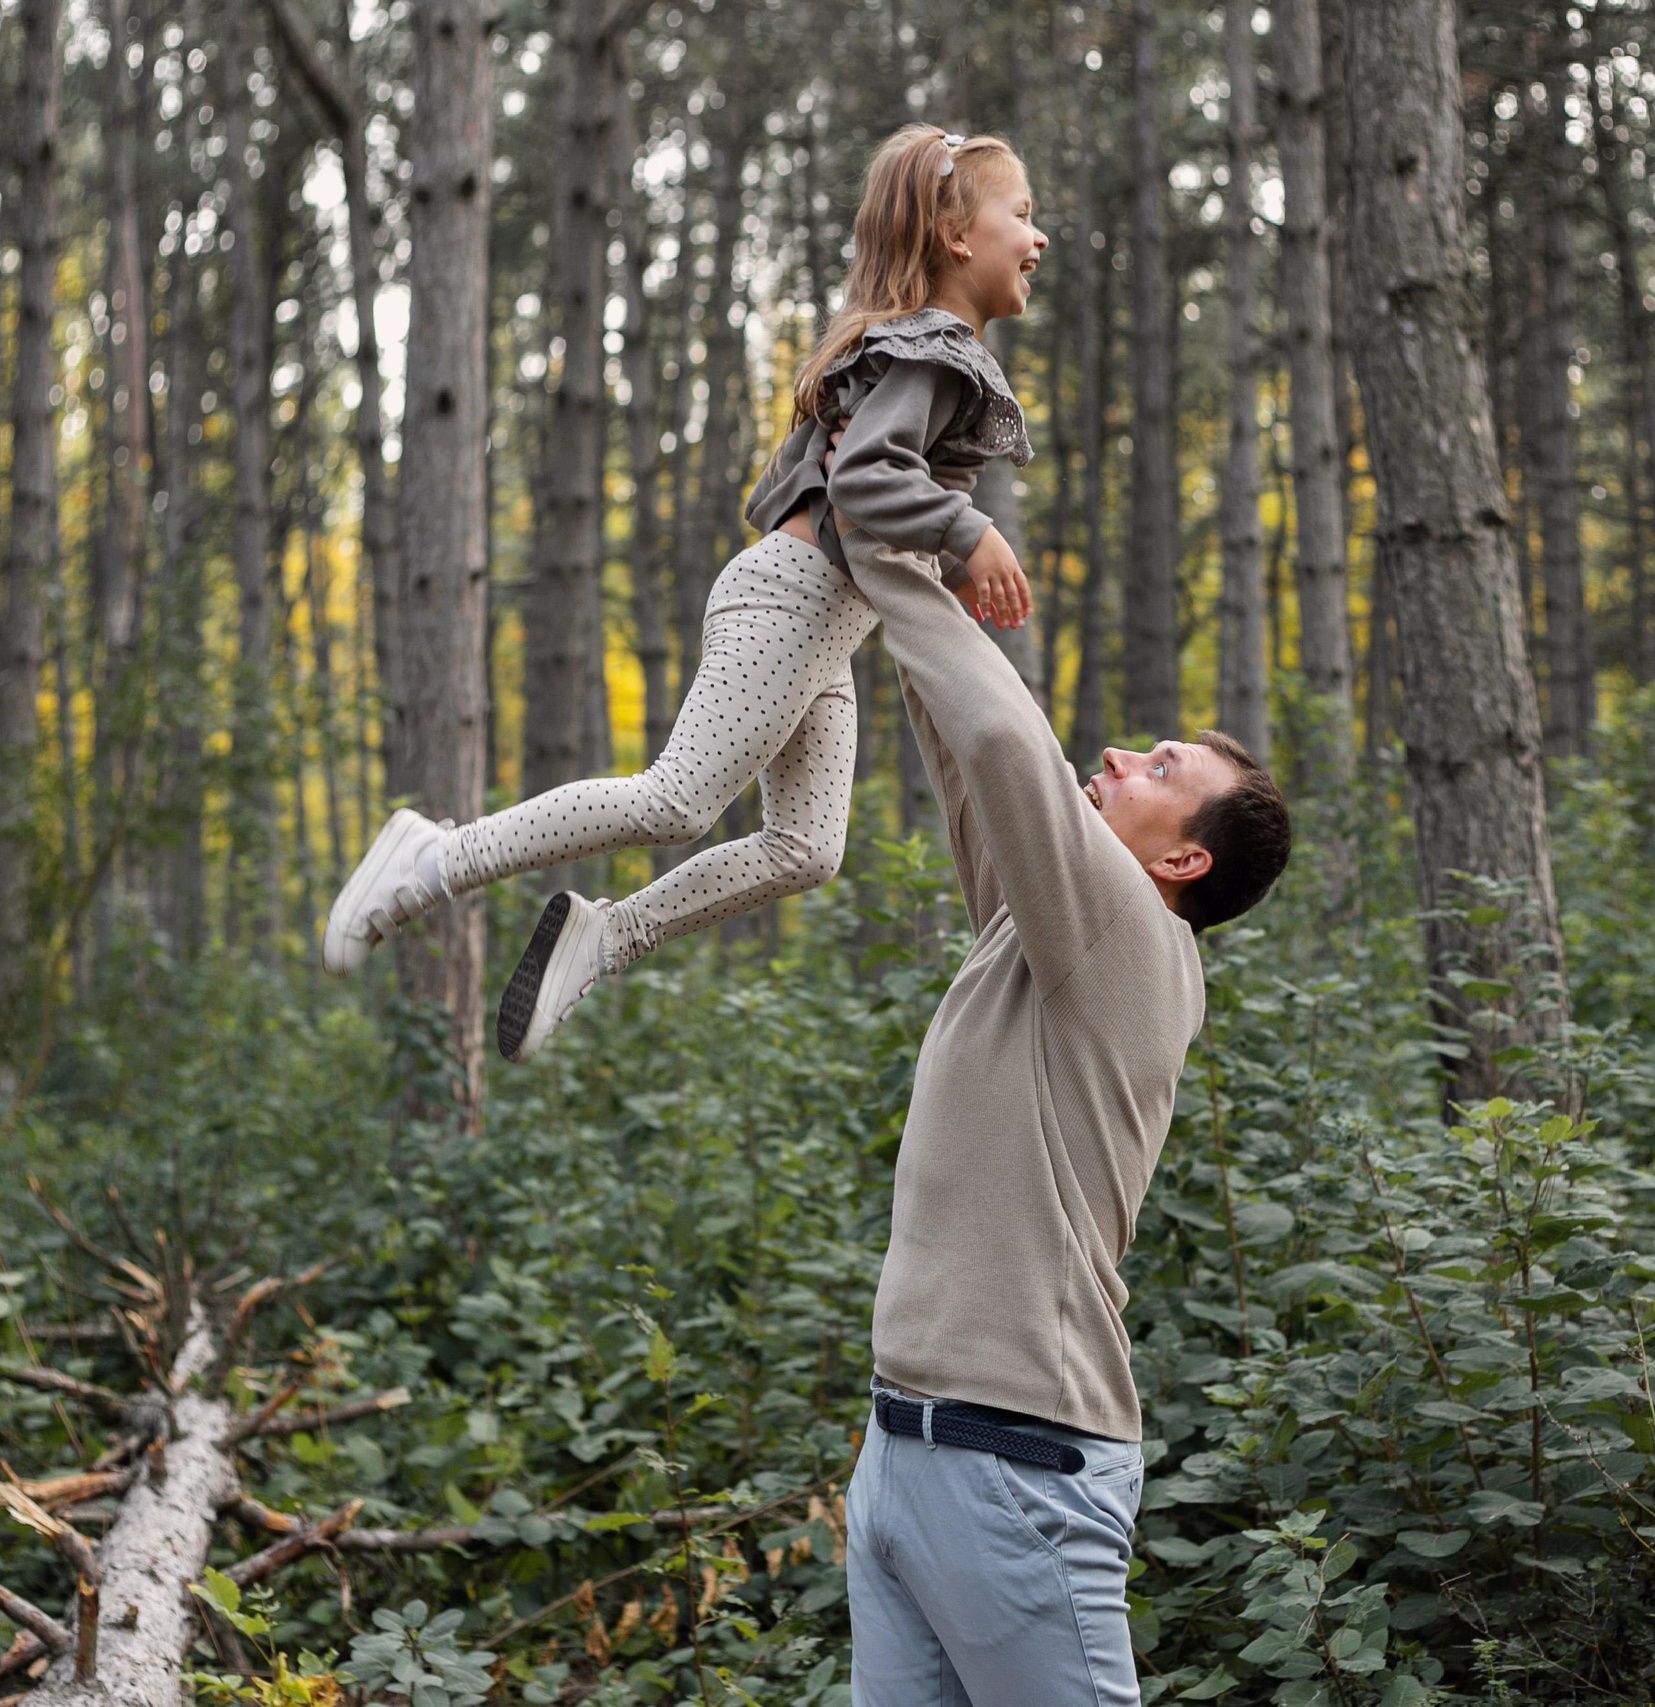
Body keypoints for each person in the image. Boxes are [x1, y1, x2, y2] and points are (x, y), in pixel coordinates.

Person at [318, 124, 1046, 1062]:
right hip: (793, 602)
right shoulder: (930, 352)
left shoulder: (913, 353)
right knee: (674, 800)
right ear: (956, 236)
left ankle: (606, 935)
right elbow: (865, 476)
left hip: (822, 627)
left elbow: (849, 483)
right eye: (1020, 216)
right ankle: (433, 859)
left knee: (807, 849)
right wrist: (968, 532)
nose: (1037, 239)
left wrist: (944, 555)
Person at [832, 504, 1293, 1694]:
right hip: (901, 1458)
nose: (1126, 755)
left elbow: (1002, 736)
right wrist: (912, 535)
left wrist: (891, 553)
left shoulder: (1133, 936)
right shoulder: (1042, 931)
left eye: (1162, 770)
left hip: (1017, 1473)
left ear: (1180, 862)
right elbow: (961, 743)